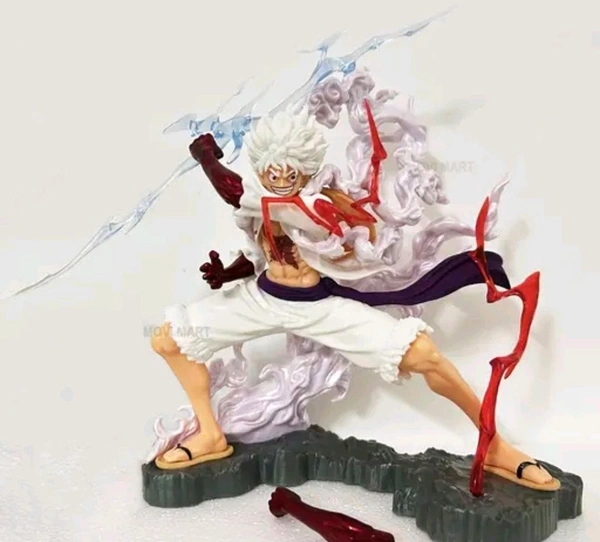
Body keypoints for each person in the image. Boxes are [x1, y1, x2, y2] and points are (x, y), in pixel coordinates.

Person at [150, 103, 559, 491]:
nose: (279, 177)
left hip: (319, 308)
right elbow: (260, 248)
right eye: (271, 170)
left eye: (289, 170)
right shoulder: (257, 204)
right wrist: (228, 272)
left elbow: (250, 197)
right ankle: (210, 433)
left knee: (425, 355)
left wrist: (207, 156)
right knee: (168, 339)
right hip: (262, 299)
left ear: (305, 167)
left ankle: (496, 446)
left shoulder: (318, 205)